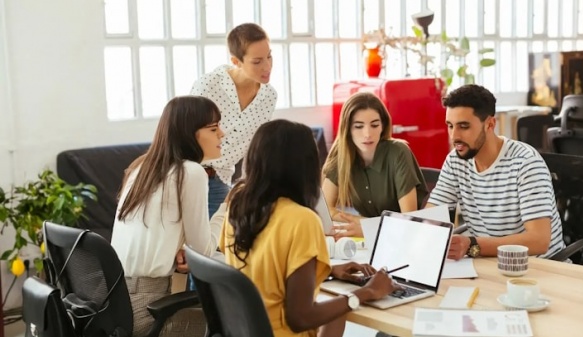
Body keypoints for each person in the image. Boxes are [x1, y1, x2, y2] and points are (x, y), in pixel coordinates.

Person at [220, 120, 399, 337]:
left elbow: (259, 266)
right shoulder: (302, 219)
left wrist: (327, 270)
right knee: (344, 307)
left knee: (338, 307)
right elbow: (300, 318)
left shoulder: (237, 204)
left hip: (245, 331)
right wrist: (366, 292)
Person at [111, 96, 225, 337]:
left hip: (115, 305)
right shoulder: (190, 172)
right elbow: (203, 251)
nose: (222, 135)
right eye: (214, 128)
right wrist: (227, 207)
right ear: (190, 134)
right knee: (235, 320)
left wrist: (181, 250)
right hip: (147, 312)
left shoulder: (141, 168)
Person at [426, 84, 565, 260]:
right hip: (491, 263)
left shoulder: (525, 162)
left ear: (490, 124)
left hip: (540, 269)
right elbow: (431, 216)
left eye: (464, 126)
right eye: (450, 126)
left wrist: (471, 245)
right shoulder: (456, 161)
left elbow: (539, 241)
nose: (454, 136)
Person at [190, 22, 277, 217]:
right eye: (257, 61)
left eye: (269, 56)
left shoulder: (268, 96)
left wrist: (249, 186)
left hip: (221, 179)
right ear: (236, 61)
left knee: (221, 243)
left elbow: (254, 147)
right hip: (190, 176)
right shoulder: (209, 85)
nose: (267, 66)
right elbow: (183, 134)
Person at [322, 92, 428, 239]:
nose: (367, 134)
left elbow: (408, 221)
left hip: (411, 237)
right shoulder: (341, 154)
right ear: (348, 130)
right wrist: (366, 224)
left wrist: (370, 227)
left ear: (382, 126)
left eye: (374, 125)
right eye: (358, 126)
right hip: (373, 240)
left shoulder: (398, 152)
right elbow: (326, 210)